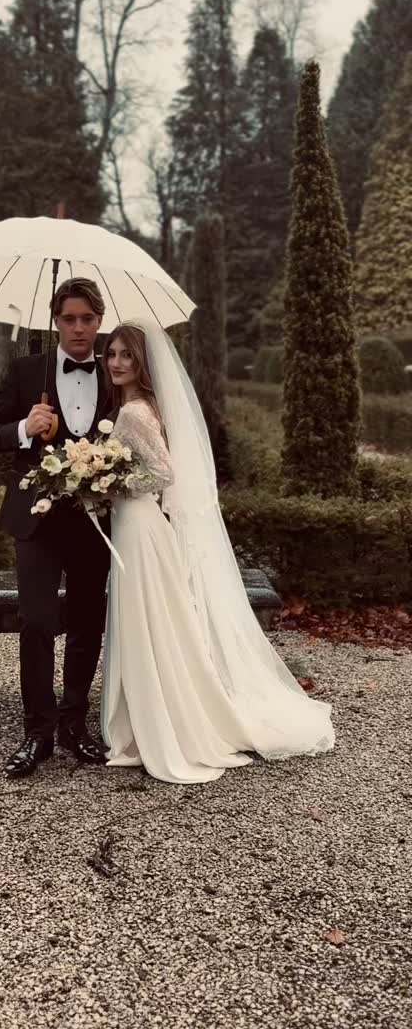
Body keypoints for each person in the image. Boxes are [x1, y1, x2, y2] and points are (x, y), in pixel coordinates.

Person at [100, 319, 334, 784]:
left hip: (139, 524)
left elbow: (163, 474)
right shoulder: (140, 406)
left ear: (143, 361)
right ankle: (156, 711)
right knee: (152, 619)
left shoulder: (132, 413)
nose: (117, 363)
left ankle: (161, 723)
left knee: (148, 620)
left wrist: (109, 482)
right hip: (136, 523)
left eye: (127, 355)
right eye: (112, 354)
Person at [0, 278, 110, 778]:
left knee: (86, 621)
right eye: (69, 319)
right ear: (55, 321)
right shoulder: (26, 370)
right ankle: (38, 732)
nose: (78, 328)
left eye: (87, 319)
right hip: (36, 520)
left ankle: (74, 723)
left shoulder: (116, 374)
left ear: (99, 321)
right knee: (35, 622)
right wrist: (22, 429)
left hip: (95, 521)